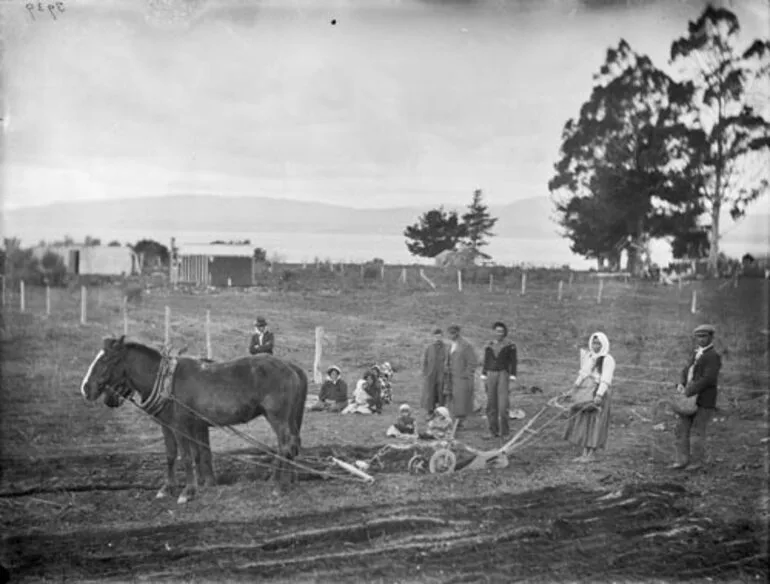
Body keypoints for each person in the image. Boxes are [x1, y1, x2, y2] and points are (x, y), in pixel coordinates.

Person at [671, 324, 722, 471]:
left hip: (704, 400)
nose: (701, 339)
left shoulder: (713, 356)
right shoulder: (696, 353)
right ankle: (681, 460)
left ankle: (696, 462)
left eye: (704, 336)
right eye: (698, 336)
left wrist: (689, 390)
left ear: (711, 337)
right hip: (689, 399)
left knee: (698, 431)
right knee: (682, 428)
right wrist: (681, 384)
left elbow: (708, 378)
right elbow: (686, 370)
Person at [562, 332, 616, 463]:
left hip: (598, 392)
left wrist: (599, 394)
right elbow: (583, 374)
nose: (596, 346)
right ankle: (584, 452)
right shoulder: (590, 357)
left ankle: (592, 453)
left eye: (598, 343)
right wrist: (573, 389)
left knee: (596, 422)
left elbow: (605, 379)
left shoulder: (607, 359)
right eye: (594, 343)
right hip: (586, 391)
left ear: (603, 344)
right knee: (585, 421)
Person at [481, 321, 518, 439]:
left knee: (503, 405)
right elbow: (486, 360)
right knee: (491, 403)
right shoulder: (489, 345)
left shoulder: (510, 345)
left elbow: (513, 361)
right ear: (494, 332)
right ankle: (493, 431)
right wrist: (484, 373)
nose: (499, 333)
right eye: (497, 331)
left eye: (501, 331)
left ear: (504, 332)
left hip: (503, 373)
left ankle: (505, 432)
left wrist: (513, 374)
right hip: (491, 373)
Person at [446, 324, 478, 431]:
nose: (451, 335)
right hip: (452, 377)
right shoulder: (451, 345)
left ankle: (463, 422)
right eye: (450, 333)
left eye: (453, 333)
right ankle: (455, 421)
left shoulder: (465, 345)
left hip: (462, 378)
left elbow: (472, 362)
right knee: (453, 399)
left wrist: (466, 375)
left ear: (458, 333)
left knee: (463, 399)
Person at [421, 328, 448, 421]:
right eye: (436, 337)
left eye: (439, 336)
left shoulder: (446, 348)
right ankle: (430, 412)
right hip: (431, 374)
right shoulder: (429, 348)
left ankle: (441, 413)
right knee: (430, 393)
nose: (438, 338)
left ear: (442, 337)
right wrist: (425, 373)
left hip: (442, 375)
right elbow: (425, 361)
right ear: (433, 337)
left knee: (441, 394)